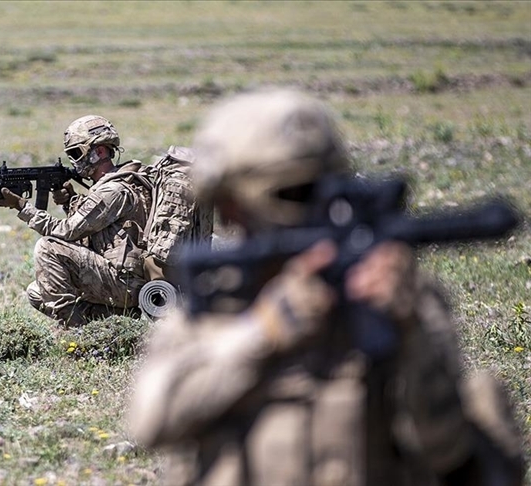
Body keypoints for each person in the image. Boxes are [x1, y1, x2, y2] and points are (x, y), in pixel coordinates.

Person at [128, 89, 525, 485]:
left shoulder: (402, 299)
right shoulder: (220, 303)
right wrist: (262, 332)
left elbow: (449, 452)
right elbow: (150, 420)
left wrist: (411, 335)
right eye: (291, 194)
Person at [0, 115, 152, 327]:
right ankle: (114, 321)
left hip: (125, 283)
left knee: (48, 247)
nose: (74, 161)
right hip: (120, 280)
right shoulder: (116, 183)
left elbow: (67, 231)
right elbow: (98, 227)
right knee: (36, 292)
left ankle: (73, 333)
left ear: (101, 151)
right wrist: (71, 202)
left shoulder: (112, 190)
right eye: (71, 154)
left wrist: (23, 207)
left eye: (77, 152)